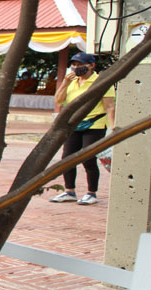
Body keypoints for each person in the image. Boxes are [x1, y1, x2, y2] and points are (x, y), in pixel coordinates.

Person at [49, 52, 116, 205]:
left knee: (88, 158)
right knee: (67, 159)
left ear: (92, 65)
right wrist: (65, 83)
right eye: (75, 65)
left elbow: (110, 106)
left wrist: (113, 127)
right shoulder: (72, 82)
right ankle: (69, 191)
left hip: (94, 125)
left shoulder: (101, 81)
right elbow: (59, 101)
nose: (77, 68)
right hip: (74, 125)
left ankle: (91, 193)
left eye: (81, 65)